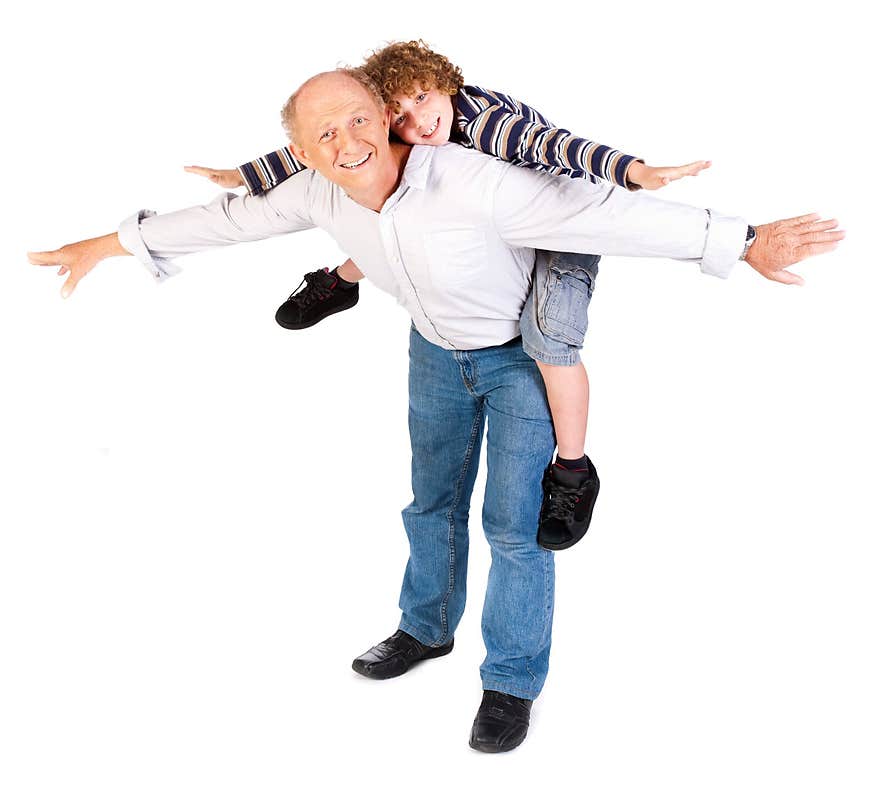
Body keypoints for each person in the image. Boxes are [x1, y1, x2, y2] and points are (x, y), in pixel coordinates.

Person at [28, 68, 842, 753]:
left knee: (516, 530)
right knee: (431, 506)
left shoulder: (479, 182)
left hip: (519, 362)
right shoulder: (319, 193)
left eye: (358, 120)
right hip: (432, 358)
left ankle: (511, 682)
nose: (347, 142)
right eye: (324, 136)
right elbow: (220, 222)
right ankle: (425, 628)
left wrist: (742, 239)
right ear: (301, 154)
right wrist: (102, 247)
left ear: (386, 117)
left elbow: (604, 215)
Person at [186, 39, 713, 552]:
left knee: (549, 340)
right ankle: (342, 280)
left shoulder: (486, 126)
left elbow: (555, 148)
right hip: (486, 223)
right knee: (406, 218)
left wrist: (634, 171)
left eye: (422, 99)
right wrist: (246, 175)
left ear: (446, 82)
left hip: (563, 222)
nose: (416, 123)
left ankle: (574, 470)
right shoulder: (406, 136)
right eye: (398, 116)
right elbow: (325, 143)